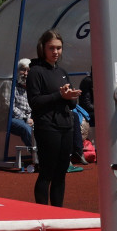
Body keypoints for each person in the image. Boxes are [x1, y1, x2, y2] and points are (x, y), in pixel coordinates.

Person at [26, 29, 81, 207]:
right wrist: (60, 95)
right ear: (43, 48)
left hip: (66, 125)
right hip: (47, 127)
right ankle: (42, 214)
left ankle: (58, 213)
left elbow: (71, 104)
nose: (55, 52)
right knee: (47, 173)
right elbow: (34, 101)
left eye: (59, 48)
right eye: (51, 48)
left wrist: (72, 96)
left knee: (61, 173)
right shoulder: (36, 71)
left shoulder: (62, 71)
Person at [0, 57, 34, 148]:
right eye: (23, 70)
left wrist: (30, 118)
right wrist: (26, 118)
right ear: (17, 70)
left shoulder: (31, 87)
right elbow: (7, 106)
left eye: (28, 71)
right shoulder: (9, 84)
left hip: (26, 119)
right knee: (25, 128)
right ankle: (38, 156)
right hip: (8, 119)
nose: (25, 74)